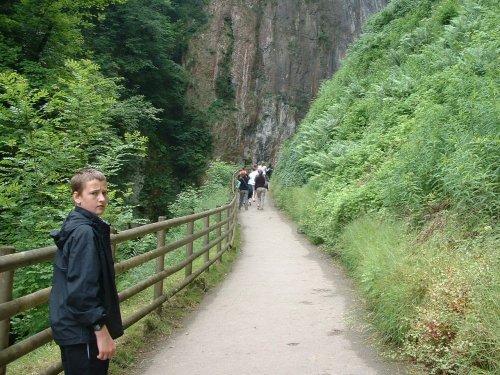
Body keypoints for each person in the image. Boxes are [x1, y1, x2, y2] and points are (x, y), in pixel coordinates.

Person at [49, 168, 123, 375]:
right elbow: (82, 290)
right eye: (94, 193)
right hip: (83, 331)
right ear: (77, 197)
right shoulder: (84, 232)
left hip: (77, 329)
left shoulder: (84, 226)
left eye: (104, 192)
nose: (101, 198)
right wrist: (100, 330)